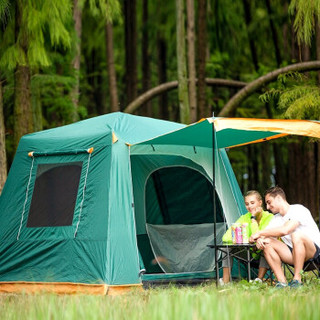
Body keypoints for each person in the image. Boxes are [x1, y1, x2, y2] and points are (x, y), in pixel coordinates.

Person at [250, 186, 320, 288]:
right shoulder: (276, 219)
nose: (268, 207)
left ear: (279, 198)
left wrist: (260, 233)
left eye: (269, 202)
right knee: (267, 243)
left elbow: (285, 230)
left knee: (296, 235)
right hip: (294, 255)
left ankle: (297, 280)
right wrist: (260, 240)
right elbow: (266, 235)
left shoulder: (298, 209)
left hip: (314, 253)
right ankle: (282, 282)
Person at [220, 190, 274, 285]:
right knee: (226, 247)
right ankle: (225, 281)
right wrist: (245, 239)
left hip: (265, 254)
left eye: (252, 203)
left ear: (260, 202)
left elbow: (259, 237)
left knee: (267, 245)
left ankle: (259, 280)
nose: (249, 206)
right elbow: (226, 237)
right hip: (249, 253)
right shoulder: (244, 217)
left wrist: (253, 219)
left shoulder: (269, 218)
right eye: (247, 204)